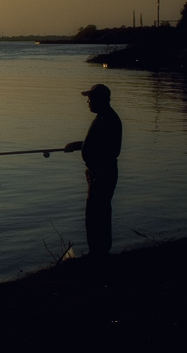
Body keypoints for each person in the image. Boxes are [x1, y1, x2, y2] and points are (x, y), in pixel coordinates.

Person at [65, 83, 122, 259]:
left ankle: (99, 252)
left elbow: (109, 150)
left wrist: (97, 172)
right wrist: (79, 145)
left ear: (101, 99)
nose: (88, 101)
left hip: (102, 173)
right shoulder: (103, 117)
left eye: (91, 98)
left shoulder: (109, 119)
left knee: (97, 213)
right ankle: (97, 251)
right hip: (98, 173)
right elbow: (97, 144)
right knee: (95, 212)